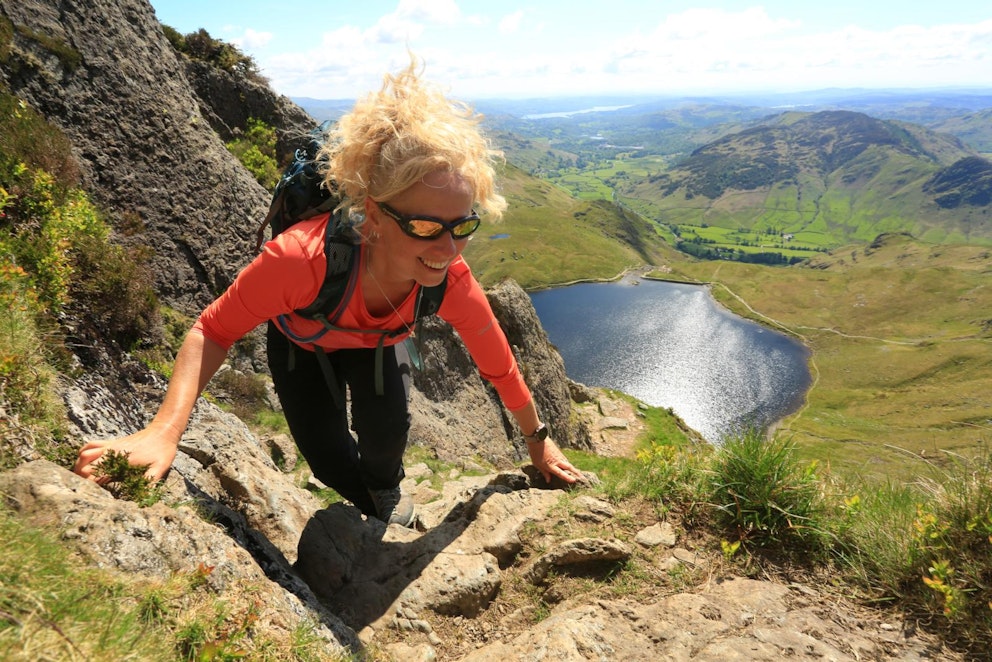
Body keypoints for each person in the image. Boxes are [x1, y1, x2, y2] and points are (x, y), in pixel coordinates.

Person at [73, 59, 582, 527]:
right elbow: (212, 329)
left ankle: (383, 495)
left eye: (463, 224)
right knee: (326, 456)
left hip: (377, 344)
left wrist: (538, 444)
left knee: (387, 437)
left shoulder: (450, 277)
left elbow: (498, 364)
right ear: (376, 216)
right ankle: (365, 505)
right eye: (426, 226)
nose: (448, 248)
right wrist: (163, 432)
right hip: (302, 342)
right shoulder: (301, 261)